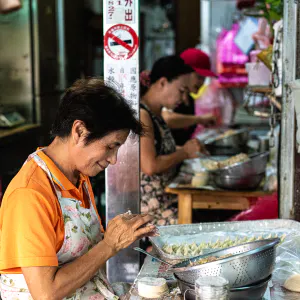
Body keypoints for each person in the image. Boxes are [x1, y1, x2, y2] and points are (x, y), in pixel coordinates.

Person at [0, 78, 157, 299]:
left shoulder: (77, 176)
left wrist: (120, 233)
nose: (113, 159)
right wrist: (110, 244)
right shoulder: (31, 194)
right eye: (111, 147)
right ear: (80, 131)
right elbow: (46, 293)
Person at [140, 55, 204, 226]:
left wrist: (188, 150)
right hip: (153, 210)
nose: (184, 99)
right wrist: (184, 152)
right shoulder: (142, 115)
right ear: (162, 83)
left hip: (167, 198)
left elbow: (159, 150)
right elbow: (150, 166)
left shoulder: (156, 114)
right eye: (181, 91)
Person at [162, 48, 218, 146]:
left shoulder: (190, 99)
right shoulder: (169, 92)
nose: (202, 83)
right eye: (199, 77)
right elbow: (167, 119)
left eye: (204, 78)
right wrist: (199, 119)